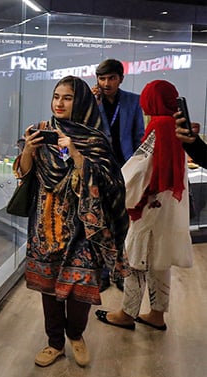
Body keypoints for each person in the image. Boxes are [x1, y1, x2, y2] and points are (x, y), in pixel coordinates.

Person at [15, 75, 129, 368]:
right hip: (46, 223)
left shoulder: (94, 139)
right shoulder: (41, 131)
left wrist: (76, 154)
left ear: (80, 102)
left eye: (67, 97)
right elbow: (24, 174)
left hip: (83, 227)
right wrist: (28, 149)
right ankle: (54, 343)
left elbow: (110, 182)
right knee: (49, 286)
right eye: (56, 96)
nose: (60, 103)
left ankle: (76, 335)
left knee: (80, 287)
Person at [95, 80, 192, 332]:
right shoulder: (175, 124)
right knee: (159, 258)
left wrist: (117, 189)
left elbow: (141, 167)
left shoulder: (158, 125)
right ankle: (157, 314)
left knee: (136, 258)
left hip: (148, 203)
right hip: (168, 202)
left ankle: (127, 313)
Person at [92, 59, 145, 292]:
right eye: (102, 78)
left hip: (126, 167)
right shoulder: (92, 101)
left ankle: (121, 271)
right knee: (101, 220)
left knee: (123, 222)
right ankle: (102, 271)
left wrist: (138, 167)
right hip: (100, 168)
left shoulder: (133, 101)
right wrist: (91, 104)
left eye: (111, 78)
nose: (106, 83)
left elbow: (138, 135)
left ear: (120, 79)